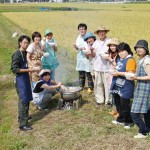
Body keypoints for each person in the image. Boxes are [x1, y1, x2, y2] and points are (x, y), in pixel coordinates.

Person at [11, 35, 36, 131]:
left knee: (27, 98)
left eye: (27, 43)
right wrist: (28, 70)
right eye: (24, 42)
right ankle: (22, 124)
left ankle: (24, 116)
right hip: (20, 79)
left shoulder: (25, 53)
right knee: (23, 101)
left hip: (25, 78)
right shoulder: (17, 54)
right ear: (20, 43)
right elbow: (14, 69)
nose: (26, 44)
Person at [110, 42, 136, 129]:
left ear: (128, 51)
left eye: (123, 51)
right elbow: (118, 68)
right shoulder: (120, 59)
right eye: (119, 51)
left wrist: (117, 73)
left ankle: (129, 121)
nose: (120, 53)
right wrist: (114, 70)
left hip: (126, 86)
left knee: (125, 105)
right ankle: (121, 119)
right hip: (118, 84)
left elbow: (131, 73)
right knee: (118, 103)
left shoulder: (130, 60)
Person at [131, 40, 150, 138]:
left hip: (145, 89)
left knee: (134, 113)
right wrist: (133, 75)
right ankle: (148, 128)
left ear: (146, 49)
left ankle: (143, 132)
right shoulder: (142, 59)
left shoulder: (147, 60)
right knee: (147, 110)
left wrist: (136, 78)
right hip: (142, 87)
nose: (138, 49)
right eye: (137, 48)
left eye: (141, 47)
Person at [92, 25, 111, 106]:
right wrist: (91, 51)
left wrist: (108, 54)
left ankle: (108, 101)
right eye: (100, 32)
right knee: (98, 84)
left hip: (107, 67)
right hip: (97, 66)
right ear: (98, 34)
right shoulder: (95, 43)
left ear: (105, 32)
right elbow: (93, 55)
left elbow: (114, 52)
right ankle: (99, 100)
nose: (101, 33)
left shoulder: (110, 41)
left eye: (103, 31)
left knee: (108, 85)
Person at [73, 23, 93, 94]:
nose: (82, 30)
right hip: (80, 57)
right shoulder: (78, 37)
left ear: (86, 30)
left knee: (88, 73)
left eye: (83, 29)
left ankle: (90, 87)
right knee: (81, 72)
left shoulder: (89, 37)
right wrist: (75, 47)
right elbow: (78, 48)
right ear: (78, 30)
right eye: (80, 29)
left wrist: (85, 48)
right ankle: (81, 86)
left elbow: (91, 46)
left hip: (87, 57)